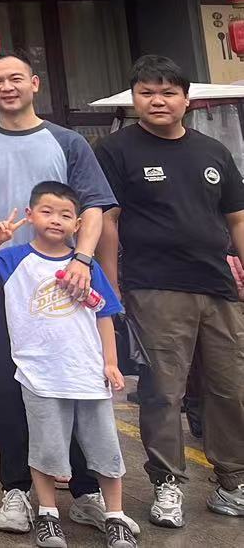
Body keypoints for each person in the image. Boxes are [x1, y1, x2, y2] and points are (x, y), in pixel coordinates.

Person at [0, 50, 129, 538]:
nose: (7, 87)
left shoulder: (68, 141)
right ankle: (16, 489)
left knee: (79, 385)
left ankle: (85, 491)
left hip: (68, 281)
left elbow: (94, 207)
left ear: (34, 83)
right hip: (9, 280)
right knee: (11, 388)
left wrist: (83, 260)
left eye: (16, 78)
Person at [96, 55, 244, 526]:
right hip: (154, 287)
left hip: (218, 287)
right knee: (163, 391)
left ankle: (232, 482)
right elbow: (108, 220)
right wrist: (111, 287)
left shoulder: (213, 152)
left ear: (187, 100)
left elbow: (237, 219)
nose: (157, 100)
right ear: (134, 98)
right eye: (147, 92)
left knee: (229, 388)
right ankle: (167, 483)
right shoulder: (115, 149)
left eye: (167, 92)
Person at [0, 184, 136, 548]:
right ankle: (47, 513)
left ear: (77, 224)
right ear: (30, 216)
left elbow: (104, 315)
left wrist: (110, 362)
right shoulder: (14, 259)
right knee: (43, 448)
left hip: (87, 374)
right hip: (38, 374)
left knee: (105, 447)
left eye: (65, 215)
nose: (55, 220)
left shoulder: (85, 267)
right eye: (46, 211)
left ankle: (115, 515)